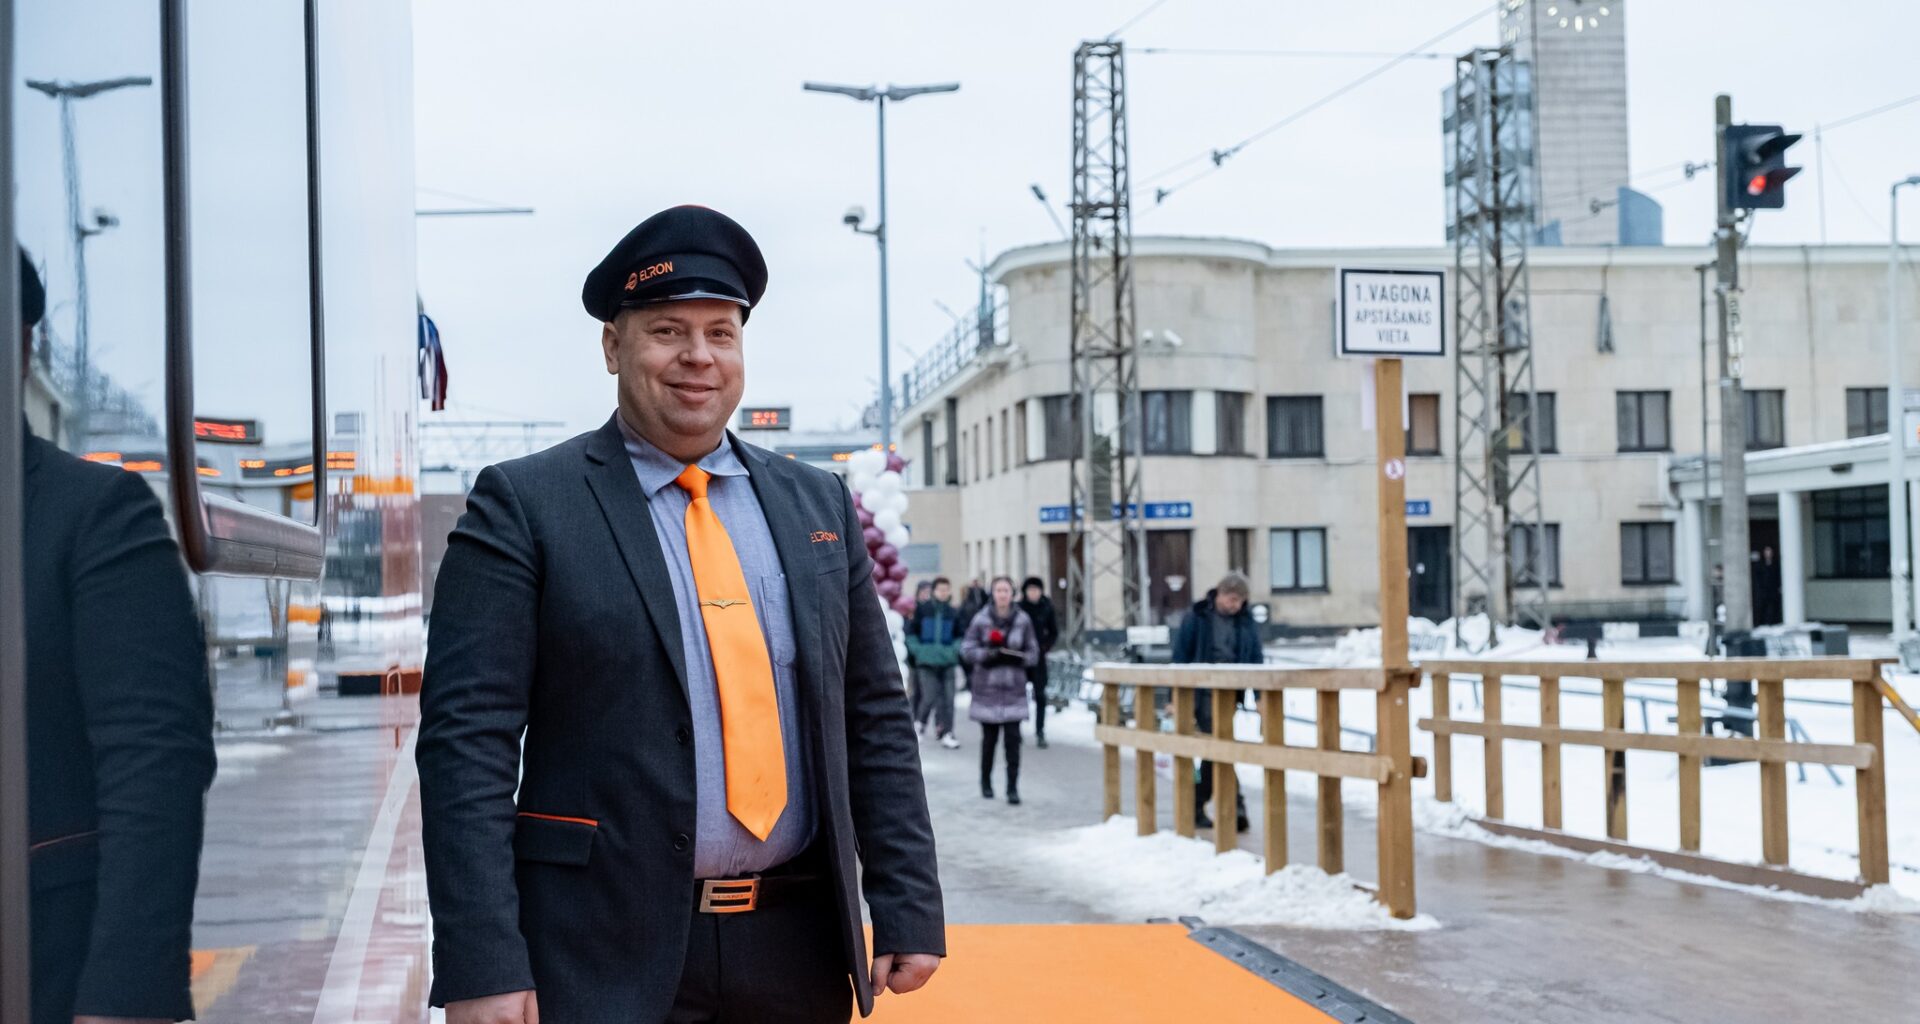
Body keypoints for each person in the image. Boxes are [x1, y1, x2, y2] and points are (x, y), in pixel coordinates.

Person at [418, 207, 945, 1024]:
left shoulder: (819, 505)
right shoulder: (526, 505)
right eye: (667, 330)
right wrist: (482, 958)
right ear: (612, 347)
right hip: (598, 954)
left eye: (721, 332)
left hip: (795, 947)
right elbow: (466, 746)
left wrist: (908, 899)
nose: (699, 357)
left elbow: (871, 714)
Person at [19, 248, 217, 1024]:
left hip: (46, 974)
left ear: (23, 344)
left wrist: (126, 1000)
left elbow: (156, 765)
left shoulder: (94, 514)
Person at [1171, 572, 1261, 833]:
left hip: (1230, 694)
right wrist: (1175, 696)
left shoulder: (1245, 622)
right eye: (1231, 599)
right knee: (1218, 745)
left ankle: (1197, 806)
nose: (1234, 605)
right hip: (1201, 692)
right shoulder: (1198, 618)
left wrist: (1259, 695)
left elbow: (1256, 658)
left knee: (1216, 749)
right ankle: (1235, 807)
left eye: (1240, 601)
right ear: (1220, 594)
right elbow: (1180, 656)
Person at [961, 577, 1039, 805]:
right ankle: (985, 782)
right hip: (988, 689)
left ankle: (1012, 788)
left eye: (1006, 590)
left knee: (1013, 743)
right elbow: (967, 649)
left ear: (1012, 593)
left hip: (1013, 689)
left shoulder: (1023, 620)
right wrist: (987, 655)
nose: (1002, 594)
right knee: (989, 741)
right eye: (998, 590)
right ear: (992, 593)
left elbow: (1033, 653)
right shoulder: (981, 619)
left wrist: (1020, 658)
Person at [905, 576, 963, 749]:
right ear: (934, 591)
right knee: (928, 696)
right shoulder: (923, 610)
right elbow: (911, 633)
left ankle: (948, 732)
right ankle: (920, 725)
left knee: (949, 699)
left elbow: (960, 636)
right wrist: (919, 651)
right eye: (940, 589)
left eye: (946, 589)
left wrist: (953, 651)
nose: (943, 593)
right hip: (926, 661)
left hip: (947, 662)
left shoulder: (953, 612)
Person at [1017, 576, 1059, 748]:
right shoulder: (1019, 609)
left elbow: (1054, 631)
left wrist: (1045, 647)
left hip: (1039, 659)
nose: (1033, 593)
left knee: (1040, 695)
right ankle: (1016, 729)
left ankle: (1040, 731)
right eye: (1030, 590)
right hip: (1020, 657)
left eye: (1036, 590)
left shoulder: (1046, 608)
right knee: (1019, 695)